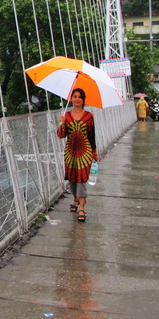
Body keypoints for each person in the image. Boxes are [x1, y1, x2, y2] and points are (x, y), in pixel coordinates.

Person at [57, 88, 98, 223]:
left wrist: (94, 151)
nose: (77, 99)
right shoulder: (67, 116)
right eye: (74, 96)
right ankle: (75, 198)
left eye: (80, 97)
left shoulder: (89, 116)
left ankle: (82, 207)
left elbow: (92, 135)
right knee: (72, 179)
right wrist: (62, 124)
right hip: (70, 152)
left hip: (85, 151)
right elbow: (61, 135)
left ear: (83, 99)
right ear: (71, 99)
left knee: (81, 179)